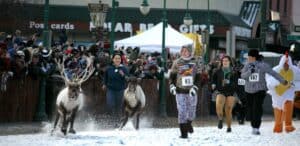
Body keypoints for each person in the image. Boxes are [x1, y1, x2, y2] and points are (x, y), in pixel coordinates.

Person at [241, 49, 288, 135]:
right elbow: (242, 75)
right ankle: (253, 125)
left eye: (249, 57)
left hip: (259, 90)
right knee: (251, 110)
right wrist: (250, 72)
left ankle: (256, 127)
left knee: (257, 108)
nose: (248, 58)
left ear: (253, 57)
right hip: (248, 91)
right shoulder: (247, 65)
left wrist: (282, 80)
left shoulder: (263, 66)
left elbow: (273, 73)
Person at [169, 45, 202, 139]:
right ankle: (183, 134)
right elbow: (172, 76)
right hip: (180, 90)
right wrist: (172, 86)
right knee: (182, 111)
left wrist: (195, 87)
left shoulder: (195, 62)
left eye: (186, 51)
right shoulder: (177, 62)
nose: (184, 52)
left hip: (191, 91)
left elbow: (199, 77)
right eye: (182, 51)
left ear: (190, 52)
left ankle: (188, 124)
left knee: (191, 112)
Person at [266, 53, 300, 133]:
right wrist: (278, 83)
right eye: (284, 64)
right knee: (278, 109)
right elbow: (269, 81)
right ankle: (278, 126)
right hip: (277, 93)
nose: (286, 66)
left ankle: (288, 125)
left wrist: (293, 85)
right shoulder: (276, 70)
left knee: (288, 106)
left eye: (287, 64)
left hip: (288, 92)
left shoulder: (295, 71)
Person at [211, 55, 238, 133]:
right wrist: (213, 84)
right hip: (220, 91)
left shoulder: (234, 72)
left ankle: (229, 127)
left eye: (226, 61)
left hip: (231, 92)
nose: (225, 62)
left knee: (228, 109)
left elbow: (236, 83)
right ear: (222, 62)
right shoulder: (217, 71)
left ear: (230, 62)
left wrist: (229, 83)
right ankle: (220, 119)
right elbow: (213, 80)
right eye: (224, 61)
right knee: (219, 106)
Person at [103, 52, 128, 117]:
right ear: (113, 59)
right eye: (116, 58)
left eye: (119, 58)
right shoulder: (109, 68)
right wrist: (104, 84)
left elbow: (128, 79)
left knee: (119, 107)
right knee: (110, 105)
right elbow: (105, 77)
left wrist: (123, 75)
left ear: (121, 60)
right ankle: (110, 119)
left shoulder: (124, 68)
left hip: (120, 90)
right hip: (111, 90)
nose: (117, 60)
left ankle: (117, 121)